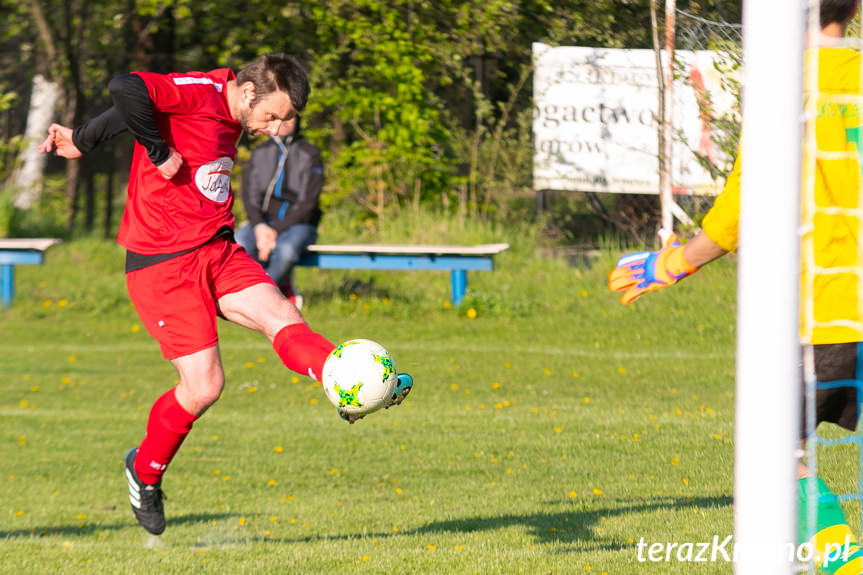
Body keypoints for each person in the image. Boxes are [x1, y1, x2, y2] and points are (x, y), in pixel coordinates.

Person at [37, 53, 413, 536]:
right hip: (163, 263)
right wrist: (157, 152)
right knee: (204, 387)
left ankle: (344, 381)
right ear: (250, 92)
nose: (276, 127)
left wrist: (85, 139)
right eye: (271, 115)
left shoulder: (233, 107)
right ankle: (145, 469)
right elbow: (125, 89)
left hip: (216, 247)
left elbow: (142, 109)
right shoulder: (198, 92)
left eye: (285, 120)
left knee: (282, 315)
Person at [609, 2, 863, 573]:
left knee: (779, 455)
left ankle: (844, 563)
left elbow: (741, 211)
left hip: (823, 313)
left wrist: (671, 264)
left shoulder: (787, 87)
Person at [235, 113, 321, 309]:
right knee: (239, 244)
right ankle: (258, 294)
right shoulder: (260, 152)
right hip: (262, 224)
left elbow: (308, 202)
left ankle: (264, 301)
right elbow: (249, 196)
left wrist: (276, 231)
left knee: (286, 251)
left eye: (289, 118)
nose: (283, 124)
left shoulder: (310, 154)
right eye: (278, 119)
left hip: (298, 224)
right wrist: (259, 226)